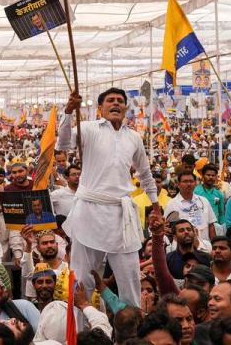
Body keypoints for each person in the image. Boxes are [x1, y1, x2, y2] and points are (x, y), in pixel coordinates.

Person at [58, 88, 158, 308]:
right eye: (110, 100)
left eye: (120, 101)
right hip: (89, 212)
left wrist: (156, 206)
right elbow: (63, 145)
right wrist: (67, 112)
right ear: (100, 108)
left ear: (125, 108)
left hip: (122, 216)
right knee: (83, 281)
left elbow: (145, 174)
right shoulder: (87, 129)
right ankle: (81, 336)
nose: (116, 104)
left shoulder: (134, 137)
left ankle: (130, 335)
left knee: (131, 279)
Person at [166, 170, 217, 246]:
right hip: (182, 249)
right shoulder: (171, 204)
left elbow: (211, 225)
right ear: (178, 184)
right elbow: (168, 229)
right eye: (185, 181)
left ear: (195, 183)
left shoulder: (204, 201)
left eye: (191, 181)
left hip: (204, 247)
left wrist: (214, 245)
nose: (189, 184)